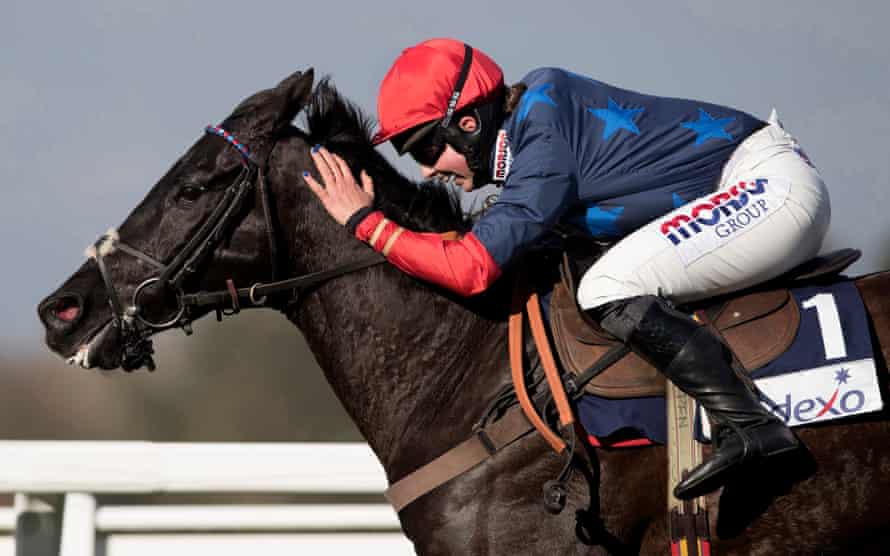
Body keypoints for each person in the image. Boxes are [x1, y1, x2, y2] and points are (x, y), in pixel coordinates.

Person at [303, 38, 830, 499]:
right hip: (751, 185)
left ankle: (750, 426)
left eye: (427, 148)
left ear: (468, 124)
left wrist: (365, 223)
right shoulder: (536, 119)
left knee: (607, 285)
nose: (424, 169)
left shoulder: (543, 138)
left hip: (769, 188)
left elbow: (471, 270)